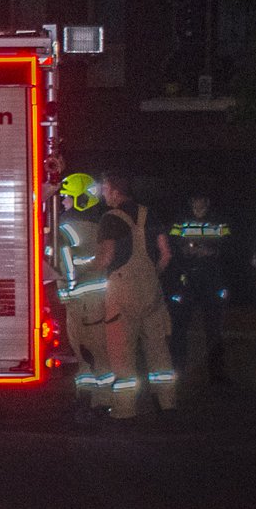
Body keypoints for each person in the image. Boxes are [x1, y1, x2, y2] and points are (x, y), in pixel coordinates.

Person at [95, 171, 175, 420]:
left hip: (122, 292)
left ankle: (124, 409)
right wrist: (152, 274)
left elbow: (106, 258)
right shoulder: (149, 213)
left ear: (115, 190)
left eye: (105, 188)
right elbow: (166, 255)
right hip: (151, 291)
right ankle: (168, 404)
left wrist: (86, 267)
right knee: (159, 351)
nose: (103, 193)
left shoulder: (109, 219)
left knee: (122, 354)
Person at [55, 173, 112, 416]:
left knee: (89, 351)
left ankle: (97, 401)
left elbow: (65, 261)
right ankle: (94, 399)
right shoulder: (102, 223)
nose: (63, 202)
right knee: (90, 352)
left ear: (80, 198)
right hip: (95, 295)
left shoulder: (67, 225)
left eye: (67, 198)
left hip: (80, 296)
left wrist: (65, 288)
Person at [164, 191, 232, 384]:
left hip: (212, 278)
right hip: (188, 278)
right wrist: (185, 252)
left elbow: (229, 247)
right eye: (194, 199)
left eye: (201, 199)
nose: (197, 203)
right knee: (179, 326)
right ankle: (178, 369)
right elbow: (172, 245)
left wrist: (212, 251)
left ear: (207, 201)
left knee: (214, 328)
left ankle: (217, 374)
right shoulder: (181, 221)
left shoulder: (218, 222)